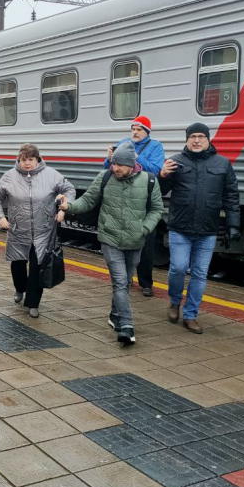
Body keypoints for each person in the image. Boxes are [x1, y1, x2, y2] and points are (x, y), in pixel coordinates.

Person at [59, 141, 164, 345]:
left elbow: (157, 210)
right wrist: (68, 206)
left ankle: (115, 314)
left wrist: (144, 229)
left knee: (125, 281)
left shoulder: (150, 181)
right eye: (113, 163)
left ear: (132, 164)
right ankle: (126, 325)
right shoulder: (105, 176)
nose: (114, 168)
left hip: (135, 241)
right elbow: (88, 201)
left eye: (119, 165)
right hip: (110, 238)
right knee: (121, 282)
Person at [159, 123, 240, 334]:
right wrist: (162, 176)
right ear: (187, 139)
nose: (196, 140)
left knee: (199, 275)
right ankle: (175, 301)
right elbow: (158, 192)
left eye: (201, 136)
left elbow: (231, 196)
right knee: (177, 267)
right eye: (192, 136)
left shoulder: (222, 163)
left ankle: (191, 315)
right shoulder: (175, 162)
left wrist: (233, 224)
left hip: (207, 230)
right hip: (179, 227)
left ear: (208, 139)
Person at [0, 143, 75, 318]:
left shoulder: (51, 175)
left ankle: (33, 303)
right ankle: (20, 288)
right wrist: (0, 217)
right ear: (19, 160)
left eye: (31, 159)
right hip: (18, 229)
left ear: (37, 159)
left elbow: (69, 189)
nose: (27, 163)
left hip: (44, 230)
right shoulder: (9, 176)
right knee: (18, 263)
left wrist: (63, 208)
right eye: (24, 160)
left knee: (38, 266)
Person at [105, 116, 165, 297]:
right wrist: (109, 159)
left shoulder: (156, 147)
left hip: (144, 197)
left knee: (146, 243)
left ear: (147, 131)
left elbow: (156, 170)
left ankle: (146, 283)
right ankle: (125, 279)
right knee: (122, 240)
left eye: (139, 129)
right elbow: (109, 168)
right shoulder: (123, 143)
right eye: (133, 128)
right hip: (122, 197)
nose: (135, 132)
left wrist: (136, 158)